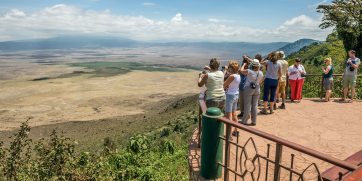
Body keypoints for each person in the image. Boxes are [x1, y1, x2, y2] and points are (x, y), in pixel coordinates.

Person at [239, 59, 263, 126]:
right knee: (255, 105)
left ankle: (244, 121)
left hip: (248, 88)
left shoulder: (249, 71)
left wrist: (244, 64)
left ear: (252, 65)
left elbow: (241, 71)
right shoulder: (261, 73)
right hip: (257, 88)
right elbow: (261, 81)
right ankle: (254, 121)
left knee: (247, 105)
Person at [224, 61, 241, 136]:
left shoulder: (232, 76)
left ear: (231, 68)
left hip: (230, 96)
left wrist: (225, 73)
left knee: (228, 116)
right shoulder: (238, 76)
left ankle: (229, 134)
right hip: (236, 95)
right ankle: (235, 131)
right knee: (234, 114)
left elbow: (224, 85)